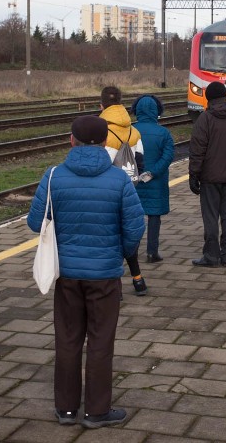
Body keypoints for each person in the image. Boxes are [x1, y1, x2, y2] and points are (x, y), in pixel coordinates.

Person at [27, 115, 145, 429]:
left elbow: (33, 222)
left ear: (71, 140)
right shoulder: (119, 179)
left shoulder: (53, 176)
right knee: (101, 342)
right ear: (106, 142)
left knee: (67, 340)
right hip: (104, 276)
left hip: (66, 275)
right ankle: (96, 412)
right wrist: (118, 253)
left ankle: (65, 409)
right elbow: (135, 226)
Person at [189, 81, 226, 267]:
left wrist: (194, 175)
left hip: (210, 178)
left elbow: (197, 150)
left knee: (210, 217)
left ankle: (211, 256)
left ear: (208, 99)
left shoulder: (204, 120)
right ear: (225, 97)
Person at [99, 86, 148, 296]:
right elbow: (140, 163)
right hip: (128, 192)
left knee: (109, 238)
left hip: (105, 194)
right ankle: (138, 280)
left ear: (101, 106)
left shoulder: (100, 131)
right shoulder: (134, 131)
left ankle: (115, 286)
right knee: (128, 235)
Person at [130, 95, 175, 265]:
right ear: (156, 111)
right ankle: (152, 252)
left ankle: (132, 251)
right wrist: (153, 173)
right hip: (155, 181)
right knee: (154, 216)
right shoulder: (164, 133)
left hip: (134, 181)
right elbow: (168, 156)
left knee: (133, 217)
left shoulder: (130, 131)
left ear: (137, 110)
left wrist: (137, 173)